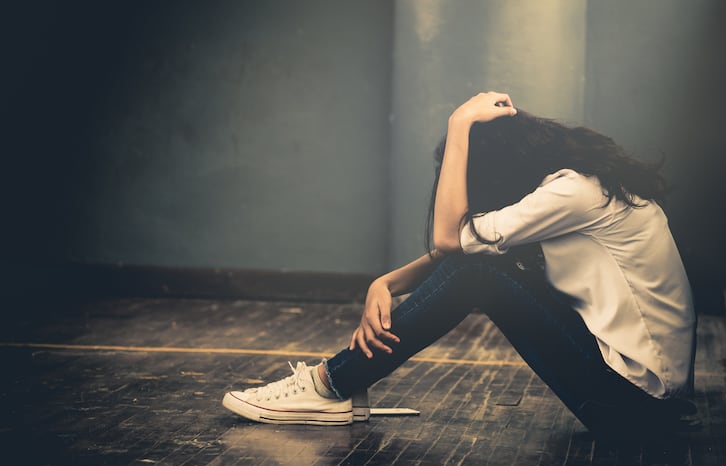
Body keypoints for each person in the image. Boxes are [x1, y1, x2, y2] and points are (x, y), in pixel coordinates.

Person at [222, 92, 697, 440]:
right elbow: (466, 249)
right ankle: (339, 384)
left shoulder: (572, 193)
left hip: (635, 407)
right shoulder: (580, 187)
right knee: (485, 266)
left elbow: (452, 240)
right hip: (644, 401)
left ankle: (330, 385)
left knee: (479, 274)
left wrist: (458, 126)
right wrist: (384, 283)